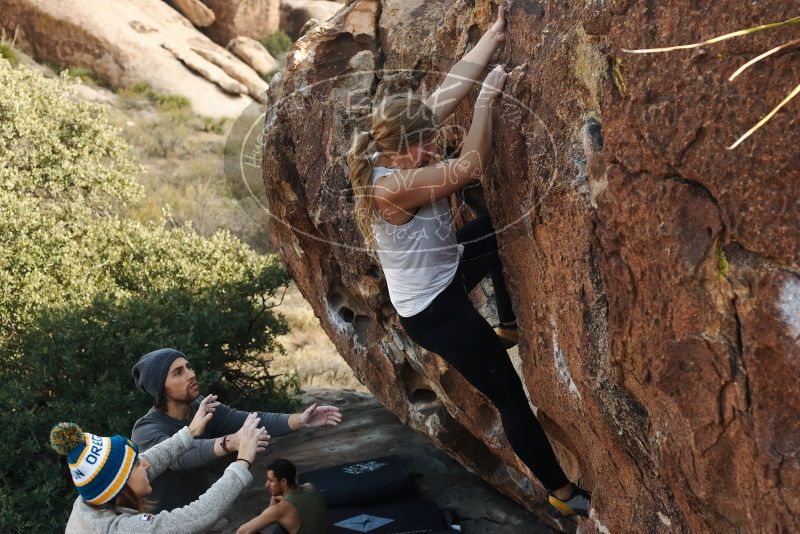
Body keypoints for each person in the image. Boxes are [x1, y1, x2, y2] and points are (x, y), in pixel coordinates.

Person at [345, 3, 590, 519]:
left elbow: (450, 86)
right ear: (402, 150)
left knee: (497, 237)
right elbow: (470, 167)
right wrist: (486, 106)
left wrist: (494, 37)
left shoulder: (393, 144)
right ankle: (561, 494)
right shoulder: (394, 186)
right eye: (426, 144)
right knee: (510, 396)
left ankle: (505, 322)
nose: (433, 148)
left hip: (448, 271)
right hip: (436, 312)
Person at [131, 348, 343, 512]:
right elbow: (181, 455)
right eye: (178, 372)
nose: (191, 374)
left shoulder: (202, 407)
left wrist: (302, 420)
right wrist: (231, 442)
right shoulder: (147, 429)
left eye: (188, 367)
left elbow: (250, 420)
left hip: (199, 519)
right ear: (160, 389)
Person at [54, 394, 264, 533]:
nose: (144, 464)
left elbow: (149, 461)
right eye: (136, 465)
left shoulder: (90, 500)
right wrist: (242, 462)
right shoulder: (122, 530)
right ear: (118, 486)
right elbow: (198, 515)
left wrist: (188, 434)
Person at [236, 458, 329, 534]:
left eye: (270, 480)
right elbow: (295, 500)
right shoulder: (309, 487)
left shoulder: (280, 510)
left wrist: (270, 511)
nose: (266, 485)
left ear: (283, 482)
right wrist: (274, 497)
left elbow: (241, 532)